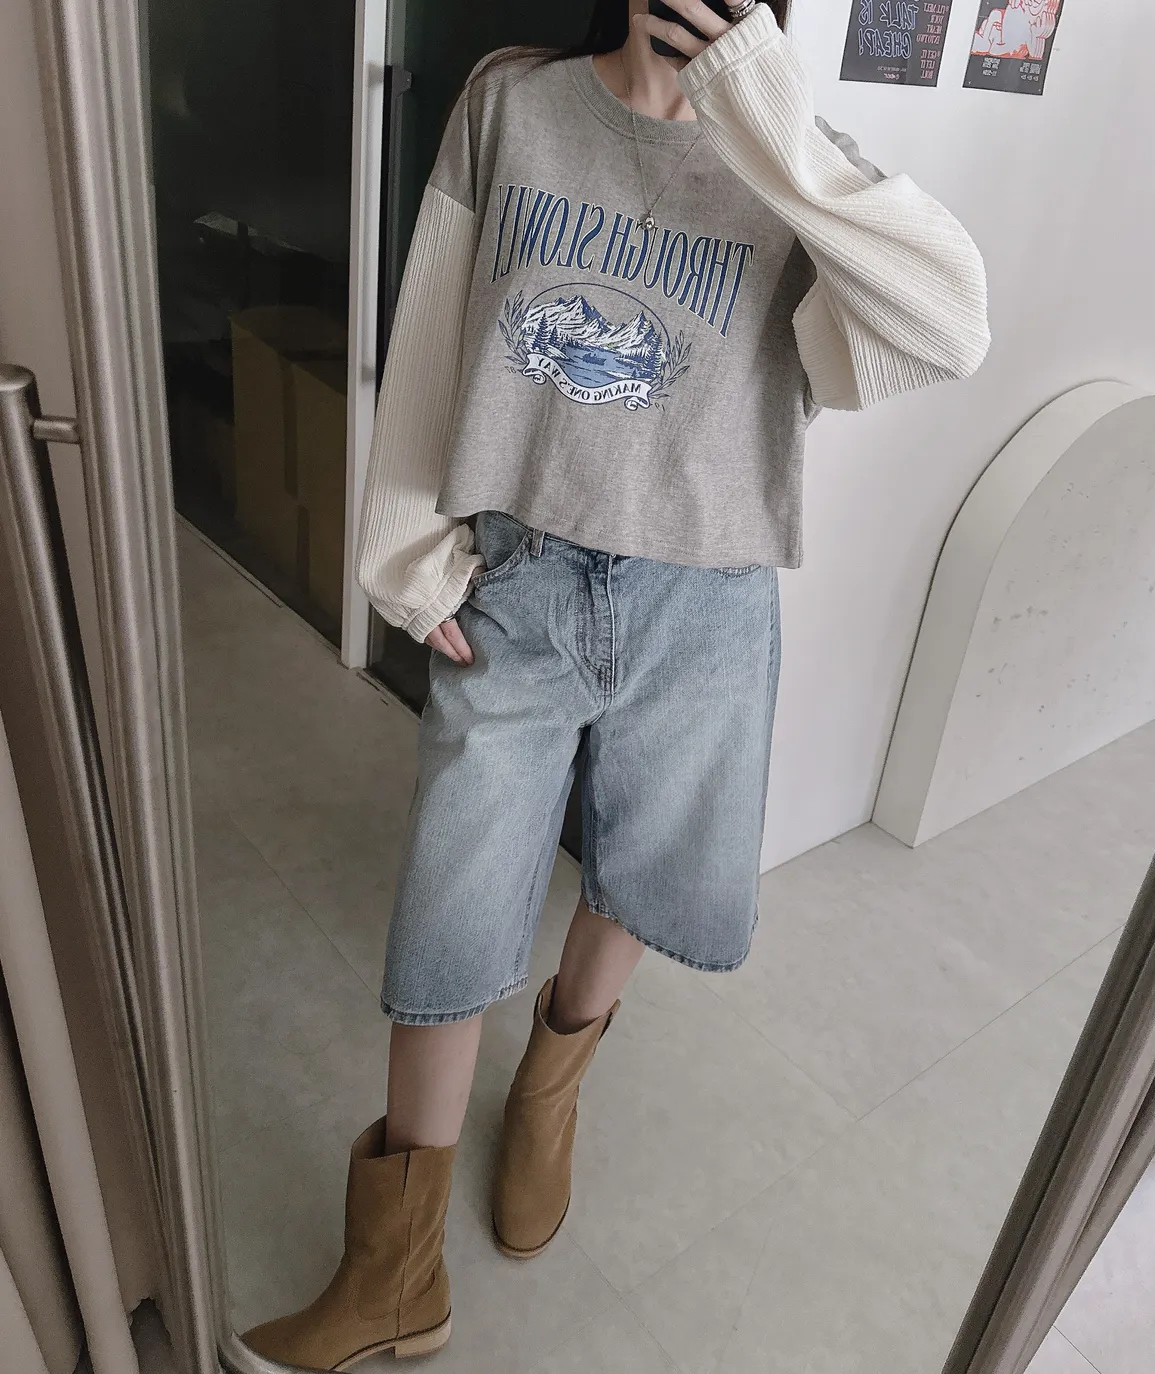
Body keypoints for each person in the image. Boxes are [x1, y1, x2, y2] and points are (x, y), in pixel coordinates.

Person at [242, 0, 989, 1367]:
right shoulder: (512, 105)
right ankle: (393, 1269)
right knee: (450, 910)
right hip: (521, 582)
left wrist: (765, 117)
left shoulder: (795, 158)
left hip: (707, 599)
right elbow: (434, 328)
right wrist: (407, 556)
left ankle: (549, 1093)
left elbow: (950, 325)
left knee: (643, 873)